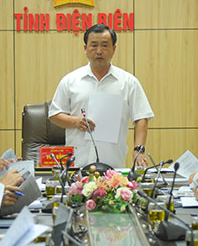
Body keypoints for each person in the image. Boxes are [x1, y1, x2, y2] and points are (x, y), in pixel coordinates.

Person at [49, 24, 154, 169]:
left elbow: (142, 117)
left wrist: (139, 150)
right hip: (77, 164)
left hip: (113, 163)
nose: (99, 51)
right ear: (85, 48)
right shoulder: (70, 80)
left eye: (105, 45)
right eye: (94, 45)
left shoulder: (128, 82)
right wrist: (75, 121)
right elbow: (54, 114)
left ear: (114, 49)